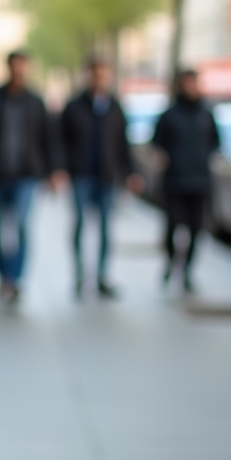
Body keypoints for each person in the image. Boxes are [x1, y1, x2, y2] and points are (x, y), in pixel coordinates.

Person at [0, 50, 66, 303]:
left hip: (26, 176)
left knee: (21, 225)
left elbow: (49, 139)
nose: (19, 72)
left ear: (27, 69)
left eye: (23, 67)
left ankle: (15, 279)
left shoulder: (35, 102)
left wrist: (55, 170)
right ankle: (3, 277)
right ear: (8, 68)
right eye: (15, 67)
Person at [59, 58, 143, 298]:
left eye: (103, 75)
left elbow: (123, 143)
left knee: (106, 227)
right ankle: (78, 275)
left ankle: (103, 276)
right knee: (79, 225)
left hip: (106, 176)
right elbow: (61, 140)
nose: (99, 79)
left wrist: (131, 172)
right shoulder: (74, 106)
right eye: (95, 74)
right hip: (81, 175)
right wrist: (62, 168)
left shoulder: (115, 107)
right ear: (88, 76)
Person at [152, 68, 220, 293]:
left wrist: (205, 159)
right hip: (175, 181)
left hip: (200, 181)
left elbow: (216, 143)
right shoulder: (170, 115)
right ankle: (171, 262)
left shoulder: (206, 113)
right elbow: (157, 143)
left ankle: (188, 271)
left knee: (196, 230)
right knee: (172, 227)